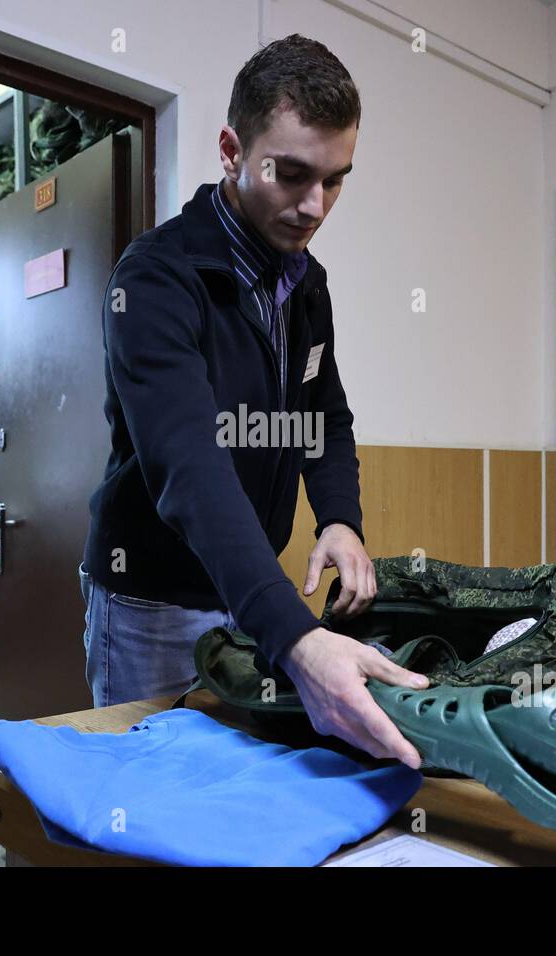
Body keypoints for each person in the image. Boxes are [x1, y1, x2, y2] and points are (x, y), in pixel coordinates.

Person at [81, 34, 427, 769]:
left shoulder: (307, 284)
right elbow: (189, 466)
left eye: (336, 181)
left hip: (248, 590)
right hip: (152, 602)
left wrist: (339, 518)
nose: (315, 207)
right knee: (148, 803)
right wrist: (295, 636)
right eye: (293, 175)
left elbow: (323, 413)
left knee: (237, 791)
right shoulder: (154, 279)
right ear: (232, 151)